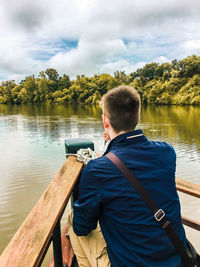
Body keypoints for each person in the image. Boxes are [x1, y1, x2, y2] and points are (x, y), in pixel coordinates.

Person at [68, 85, 187, 267]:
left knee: (73, 218)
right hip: (176, 259)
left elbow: (82, 227)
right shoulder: (167, 152)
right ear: (138, 115)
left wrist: (112, 145)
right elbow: (134, 165)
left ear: (105, 121)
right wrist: (114, 143)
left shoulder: (97, 169)